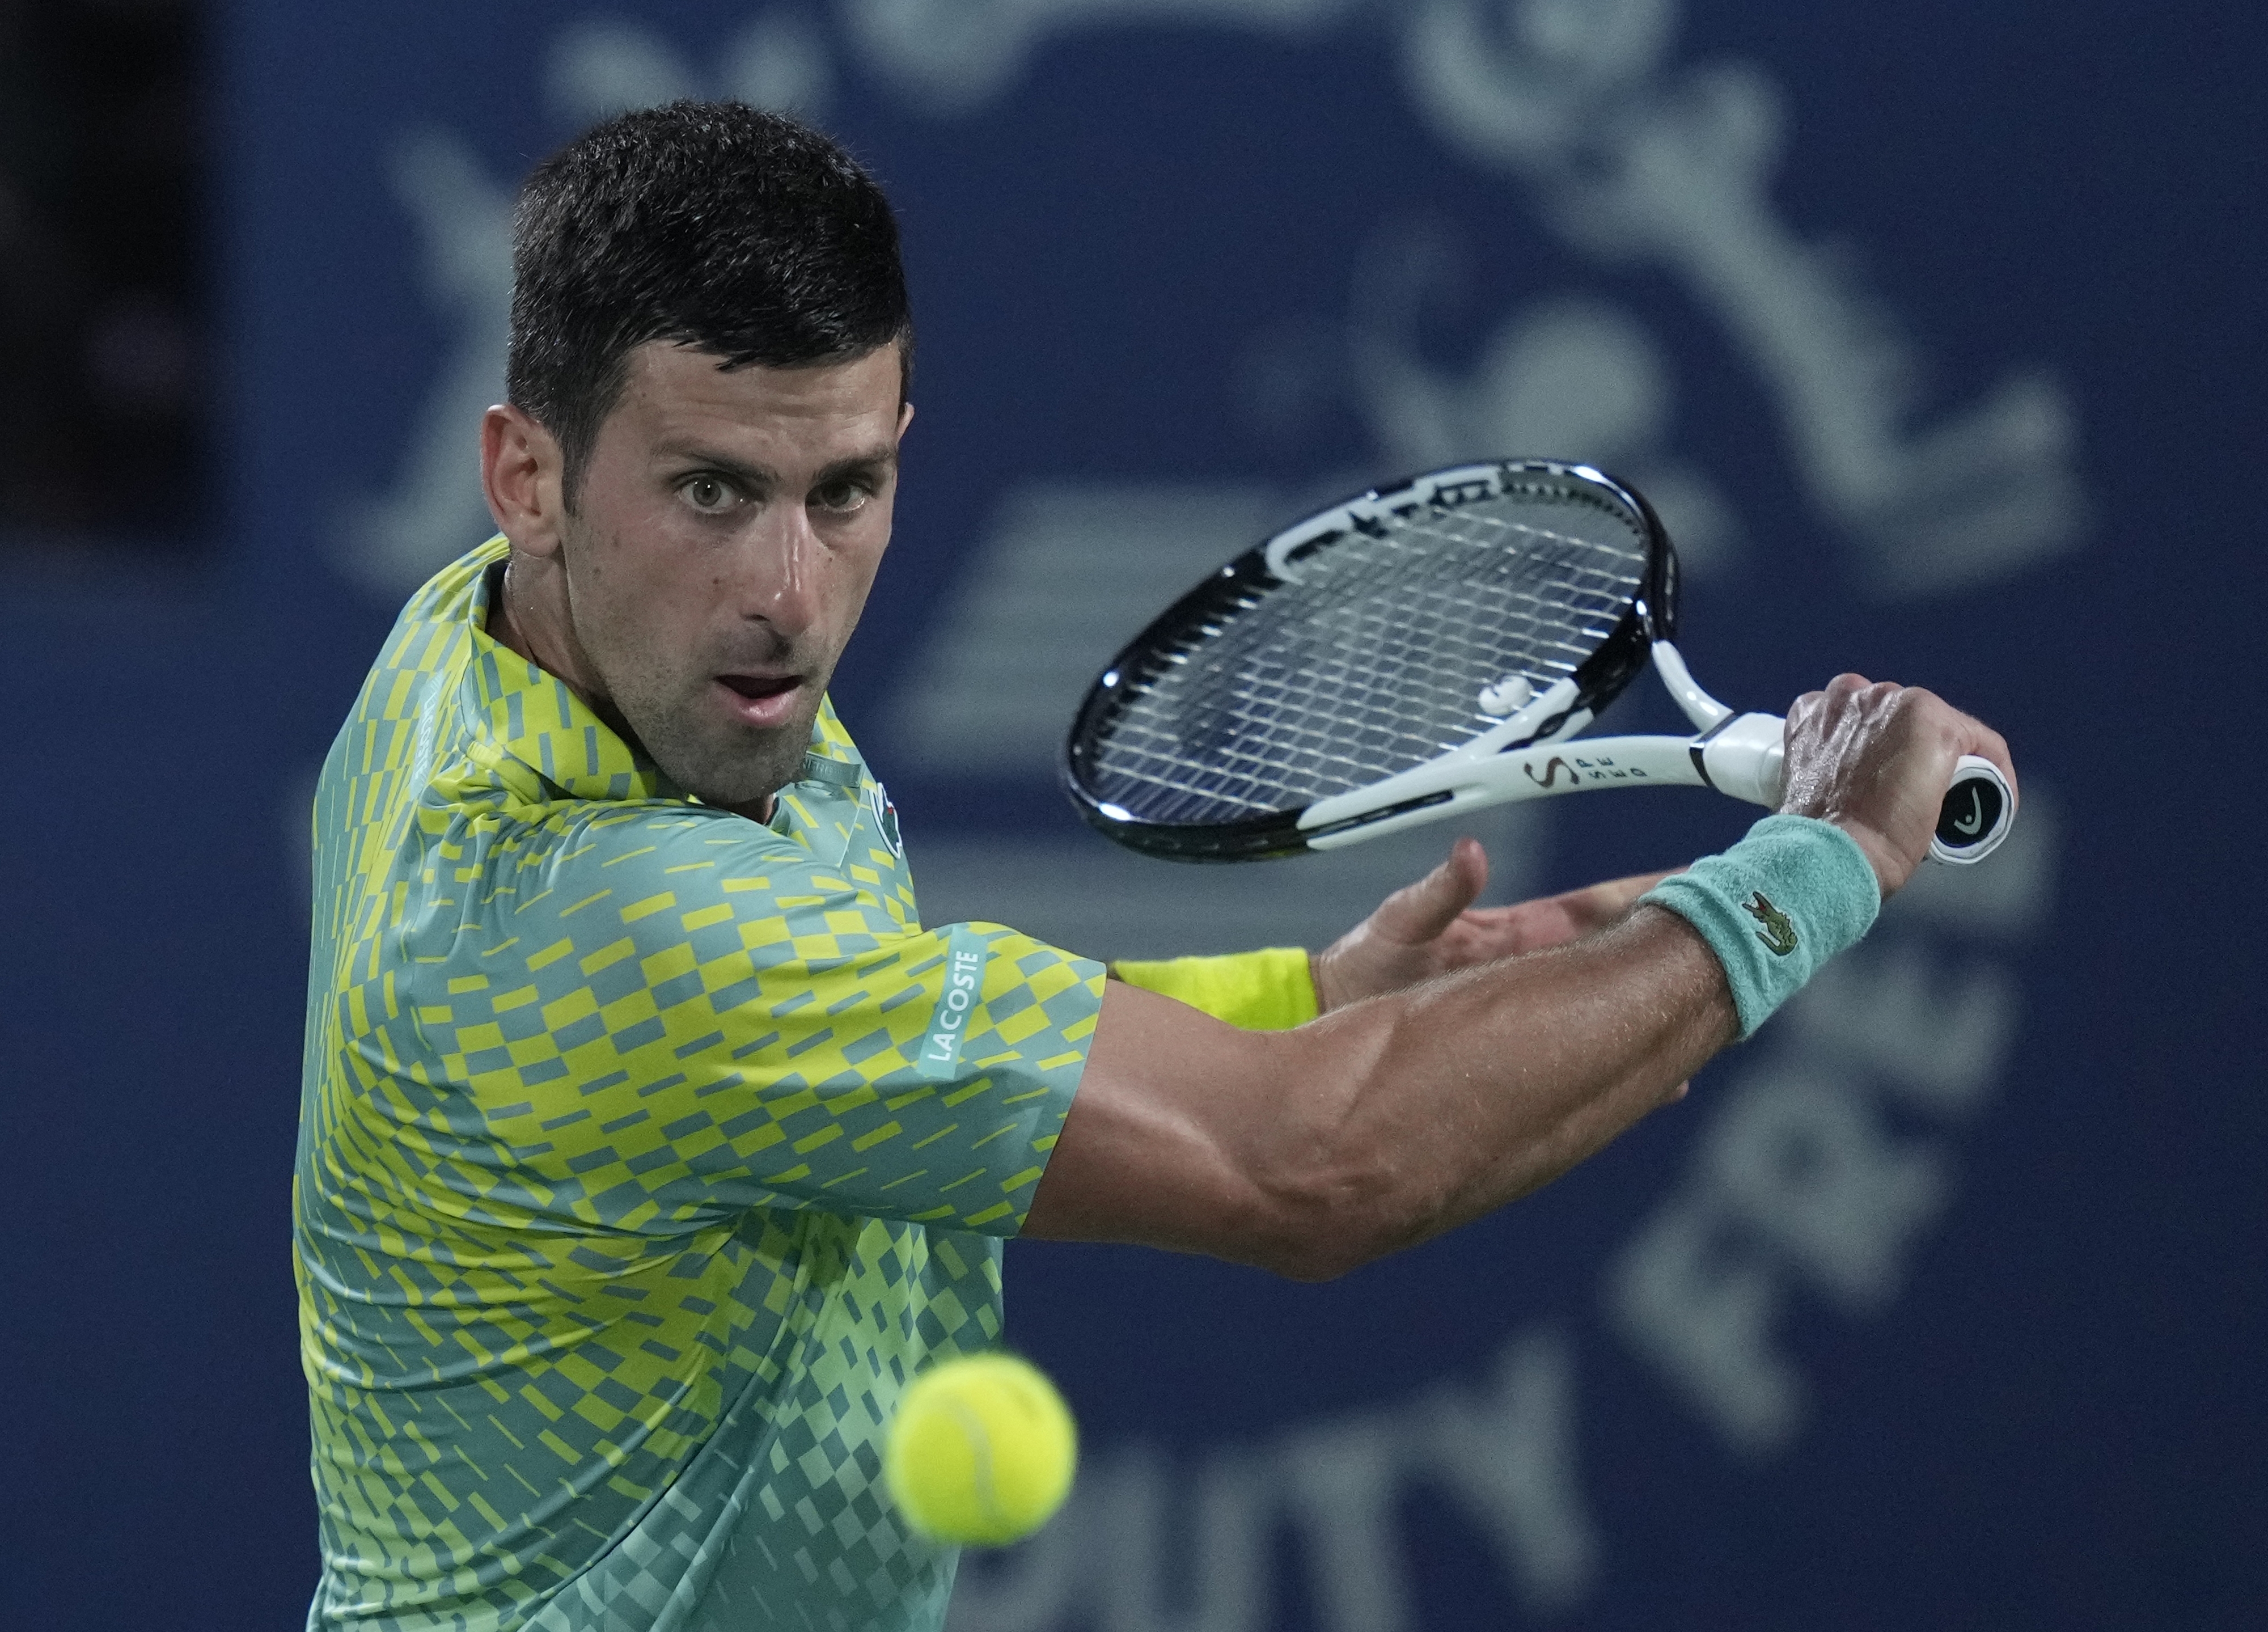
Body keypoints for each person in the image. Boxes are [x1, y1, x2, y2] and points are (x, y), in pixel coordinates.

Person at [293, 102, 2013, 1632]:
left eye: (847, 489)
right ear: (529, 474)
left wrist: (1302, 996)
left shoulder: (481, 646)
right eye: (713, 492)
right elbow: (1312, 1172)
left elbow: (845, 1041)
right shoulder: (614, 921)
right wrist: (1821, 865)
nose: (790, 592)